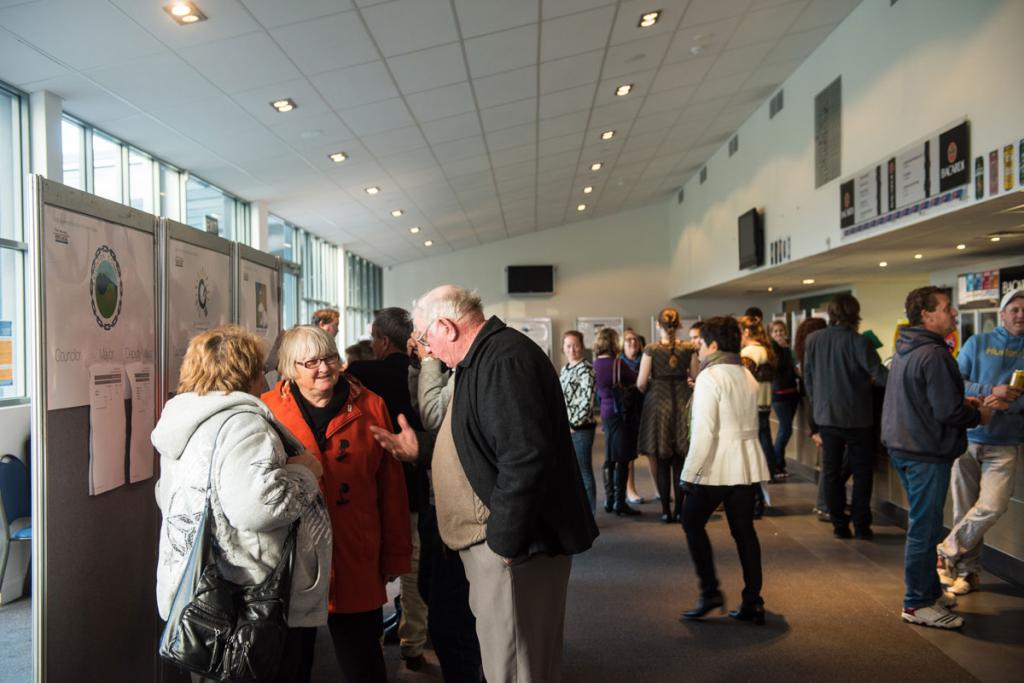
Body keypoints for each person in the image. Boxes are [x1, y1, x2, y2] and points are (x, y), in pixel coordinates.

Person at [370, 285, 598, 683]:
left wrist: (504, 541)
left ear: (447, 326)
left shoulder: (502, 360)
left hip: (515, 548)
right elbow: (478, 441)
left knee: (514, 667)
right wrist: (421, 450)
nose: (429, 352)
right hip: (508, 544)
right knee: (514, 662)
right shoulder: (483, 359)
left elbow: (525, 458)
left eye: (426, 339)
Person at [153, 325, 330, 683]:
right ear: (246, 370)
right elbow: (257, 508)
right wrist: (305, 473)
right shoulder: (243, 423)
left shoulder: (185, 420)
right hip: (247, 595)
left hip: (198, 591)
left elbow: (166, 494)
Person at [262, 325, 412, 683]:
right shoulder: (267, 411)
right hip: (292, 559)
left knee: (363, 664)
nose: (323, 368)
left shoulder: (371, 406)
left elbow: (391, 489)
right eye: (310, 362)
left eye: (329, 357)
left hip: (355, 553)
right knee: (289, 664)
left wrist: (395, 556)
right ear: (289, 367)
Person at [882, 287, 992, 629]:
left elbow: (927, 402)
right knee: (925, 530)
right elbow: (947, 410)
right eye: (947, 308)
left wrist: (963, 406)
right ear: (927, 316)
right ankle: (916, 603)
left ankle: (927, 591)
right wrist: (978, 415)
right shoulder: (934, 354)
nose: (954, 313)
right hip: (924, 452)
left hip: (905, 447)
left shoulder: (906, 348)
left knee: (924, 526)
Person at [344, 307, 430, 671]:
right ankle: (414, 642)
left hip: (371, 482)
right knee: (412, 562)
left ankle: (371, 640)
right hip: (414, 479)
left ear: (380, 341)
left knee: (369, 561)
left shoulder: (361, 375)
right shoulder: (425, 373)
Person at [679, 316, 770, 625]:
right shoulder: (746, 374)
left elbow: (704, 432)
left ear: (713, 345)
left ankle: (710, 592)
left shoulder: (710, 377)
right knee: (745, 533)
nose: (697, 349)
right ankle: (753, 600)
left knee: (691, 521)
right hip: (745, 464)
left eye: (699, 344)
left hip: (717, 465)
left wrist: (688, 474)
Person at [937, 288, 1024, 595]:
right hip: (968, 439)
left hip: (1005, 442)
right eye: (1014, 309)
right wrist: (992, 390)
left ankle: (946, 550)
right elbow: (956, 384)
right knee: (963, 509)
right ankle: (967, 573)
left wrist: (1010, 404)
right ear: (1002, 314)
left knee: (991, 505)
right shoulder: (978, 343)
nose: (1020, 315)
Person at [414, 348, 485, 683]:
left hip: (461, 511)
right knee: (436, 597)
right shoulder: (463, 369)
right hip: (439, 503)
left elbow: (431, 413)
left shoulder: (469, 369)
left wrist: (428, 360)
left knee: (451, 620)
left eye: (428, 336)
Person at [803, 294, 888, 540]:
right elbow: (880, 375)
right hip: (858, 418)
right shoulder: (860, 342)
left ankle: (839, 524)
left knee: (831, 472)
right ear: (855, 314)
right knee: (862, 474)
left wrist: (818, 404)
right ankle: (862, 525)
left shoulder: (813, 339)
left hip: (826, 417)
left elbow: (808, 378)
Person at [638, 308, 699, 522]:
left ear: (658, 325)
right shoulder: (689, 348)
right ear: (679, 324)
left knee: (662, 460)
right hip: (682, 402)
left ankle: (665, 510)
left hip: (658, 404)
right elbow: (695, 376)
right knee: (680, 460)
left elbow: (641, 383)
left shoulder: (651, 350)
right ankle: (681, 510)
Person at [594, 327, 642, 516]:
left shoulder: (595, 363)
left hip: (605, 414)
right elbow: (637, 381)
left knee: (609, 457)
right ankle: (620, 502)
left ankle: (609, 498)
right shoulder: (617, 364)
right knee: (622, 459)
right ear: (615, 343)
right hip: (620, 414)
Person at [793, 317, 829, 519]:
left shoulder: (805, 355)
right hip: (820, 415)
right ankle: (824, 504)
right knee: (829, 465)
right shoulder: (816, 358)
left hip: (815, 414)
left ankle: (825, 503)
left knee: (828, 463)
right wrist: (815, 428)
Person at [560, 330, 598, 514]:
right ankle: (578, 513)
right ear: (563, 348)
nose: (572, 349)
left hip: (581, 429)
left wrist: (573, 424)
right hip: (567, 428)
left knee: (584, 472)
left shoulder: (587, 369)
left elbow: (587, 401)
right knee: (571, 474)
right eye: (568, 346)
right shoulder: (565, 369)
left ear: (581, 346)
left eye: (575, 345)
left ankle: (590, 514)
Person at [739, 316, 777, 484]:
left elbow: (745, 379)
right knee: (765, 435)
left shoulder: (749, 352)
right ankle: (770, 469)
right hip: (765, 400)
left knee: (759, 438)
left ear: (746, 332)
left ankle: (765, 471)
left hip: (753, 402)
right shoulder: (765, 349)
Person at [621, 328, 651, 504]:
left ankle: (658, 489)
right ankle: (630, 489)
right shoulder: (619, 364)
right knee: (629, 454)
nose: (632, 342)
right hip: (628, 413)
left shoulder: (647, 360)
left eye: (635, 339)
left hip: (647, 409)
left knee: (653, 452)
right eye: (628, 340)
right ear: (622, 344)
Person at [769, 320, 799, 480]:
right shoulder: (773, 349)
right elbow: (778, 366)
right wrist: (782, 349)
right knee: (785, 429)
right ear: (771, 334)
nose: (779, 334)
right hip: (779, 393)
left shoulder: (788, 348)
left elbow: (793, 368)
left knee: (787, 429)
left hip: (792, 392)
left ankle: (778, 463)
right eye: (775, 331)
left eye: (781, 331)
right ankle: (776, 463)